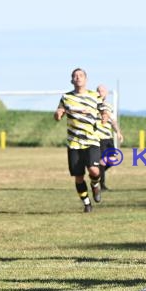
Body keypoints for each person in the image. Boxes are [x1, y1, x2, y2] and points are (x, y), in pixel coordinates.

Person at [54, 68, 110, 213]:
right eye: (75, 76)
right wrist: (58, 114)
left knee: (93, 169)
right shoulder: (66, 97)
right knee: (78, 177)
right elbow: (59, 111)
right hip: (73, 143)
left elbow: (104, 108)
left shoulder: (94, 95)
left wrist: (104, 115)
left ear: (86, 79)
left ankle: (95, 185)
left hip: (91, 140)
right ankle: (87, 203)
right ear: (72, 80)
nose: (78, 78)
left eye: (80, 75)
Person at [95, 84, 124, 191]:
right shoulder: (94, 105)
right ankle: (102, 185)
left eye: (102, 91)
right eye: (98, 91)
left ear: (106, 93)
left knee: (112, 160)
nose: (100, 93)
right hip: (99, 137)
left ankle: (96, 174)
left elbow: (113, 121)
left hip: (108, 137)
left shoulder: (109, 106)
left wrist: (118, 132)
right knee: (102, 161)